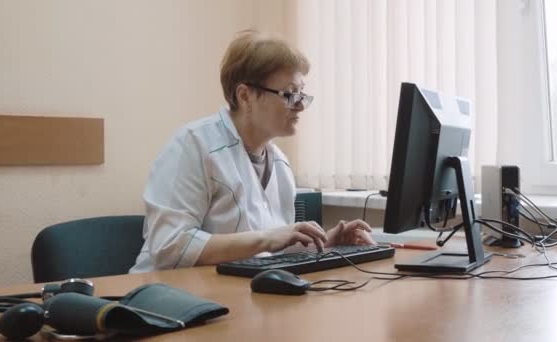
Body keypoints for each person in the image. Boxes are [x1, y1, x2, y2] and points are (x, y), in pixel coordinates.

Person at [130, 30, 375, 273]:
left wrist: (322, 243)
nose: (300, 105)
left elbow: (270, 251)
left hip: (232, 291)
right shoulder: (192, 145)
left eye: (301, 93)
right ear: (245, 95)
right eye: (290, 94)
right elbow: (170, 248)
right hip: (163, 298)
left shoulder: (279, 162)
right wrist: (267, 238)